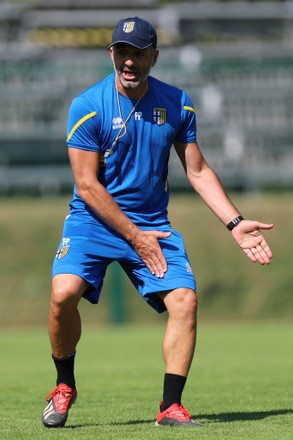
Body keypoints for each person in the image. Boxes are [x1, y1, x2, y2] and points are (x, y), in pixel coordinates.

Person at [41, 16, 273, 429]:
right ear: (112, 53)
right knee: (63, 294)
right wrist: (134, 237)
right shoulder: (88, 105)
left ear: (154, 56)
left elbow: (197, 171)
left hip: (152, 222)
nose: (130, 61)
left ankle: (170, 407)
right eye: (123, 52)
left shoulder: (177, 103)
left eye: (139, 53)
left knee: (185, 300)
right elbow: (86, 185)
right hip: (92, 220)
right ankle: (64, 385)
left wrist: (234, 222)